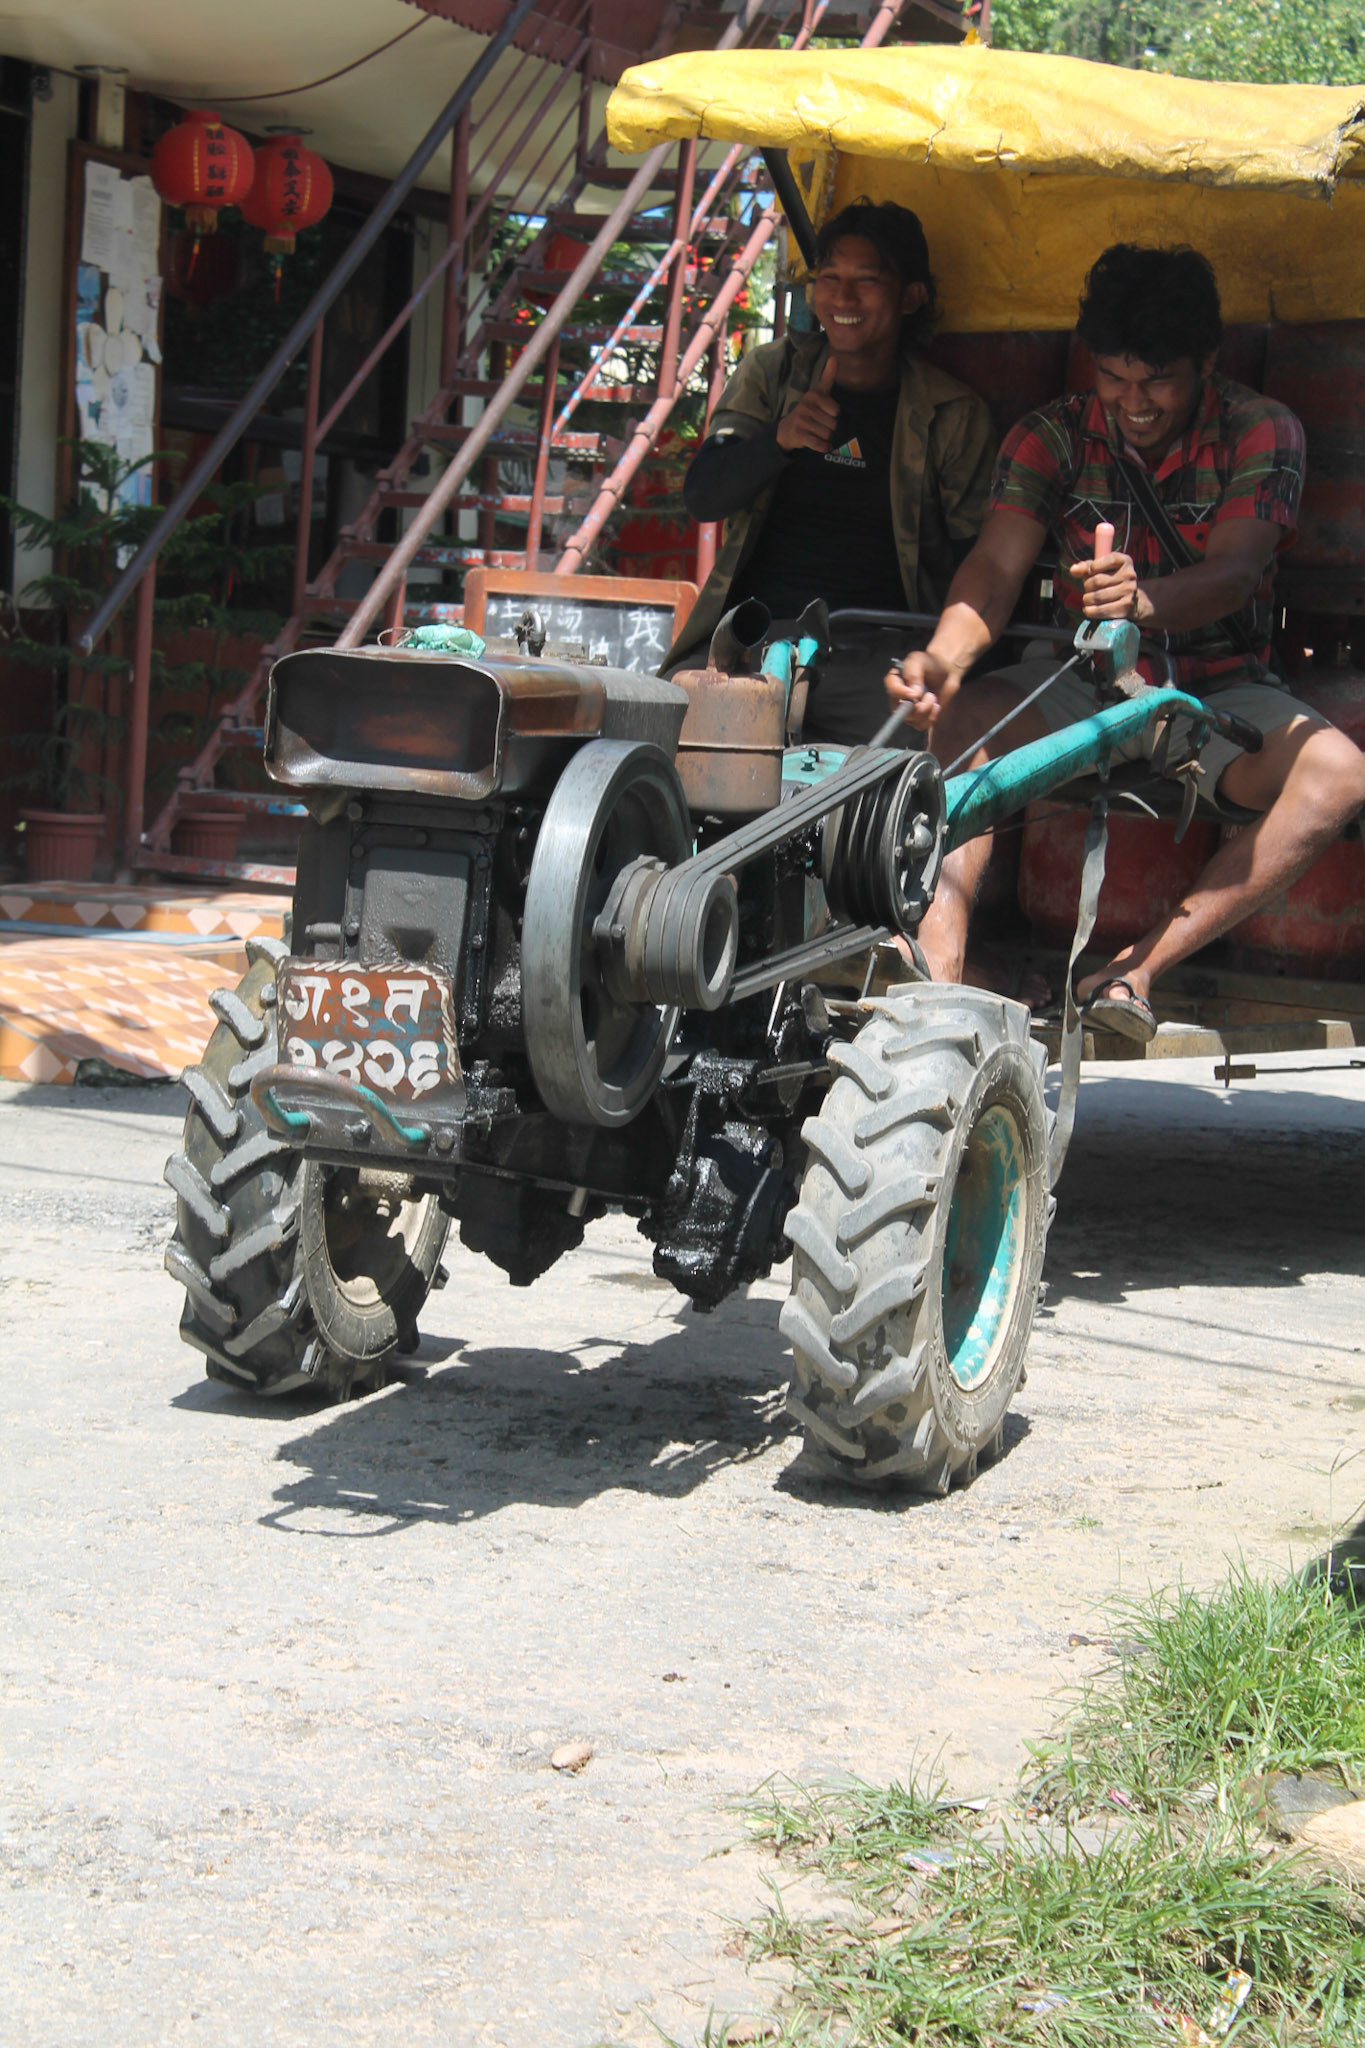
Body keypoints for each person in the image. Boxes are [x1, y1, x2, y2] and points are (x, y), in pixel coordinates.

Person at [887, 241, 1365, 1038]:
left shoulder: (1261, 429)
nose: (1131, 401)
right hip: (1081, 683)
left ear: (1206, 361)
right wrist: (942, 657)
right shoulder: (1050, 434)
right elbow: (994, 570)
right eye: (1112, 377)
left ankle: (1134, 971)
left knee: (1340, 776)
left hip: (1216, 690)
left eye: (1157, 380)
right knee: (959, 722)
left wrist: (1142, 600)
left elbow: (1234, 573)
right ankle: (938, 983)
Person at [665, 200, 995, 747]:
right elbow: (703, 495)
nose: (842, 298)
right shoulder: (772, 373)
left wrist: (943, 670)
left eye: (866, 282)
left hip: (878, 657)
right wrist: (780, 440)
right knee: (662, 743)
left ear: (910, 296)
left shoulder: (952, 414)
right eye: (829, 279)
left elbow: (977, 566)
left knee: (887, 794)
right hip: (750, 641)